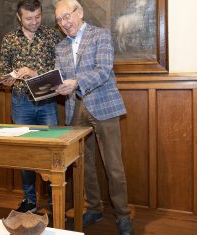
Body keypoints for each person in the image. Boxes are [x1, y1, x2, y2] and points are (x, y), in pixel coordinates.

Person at [54, 0, 133, 234]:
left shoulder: (101, 35)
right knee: (84, 165)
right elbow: (60, 76)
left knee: (114, 166)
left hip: (104, 107)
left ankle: (123, 216)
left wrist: (76, 82)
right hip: (74, 108)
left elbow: (103, 69)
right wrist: (56, 86)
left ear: (79, 12)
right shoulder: (60, 47)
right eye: (59, 20)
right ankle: (94, 208)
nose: (64, 23)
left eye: (67, 16)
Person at [0, 0, 62, 213]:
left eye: (38, 17)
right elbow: (4, 72)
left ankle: (55, 199)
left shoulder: (53, 36)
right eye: (29, 18)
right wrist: (8, 78)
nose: (34, 22)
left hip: (47, 103)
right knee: (25, 153)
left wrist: (34, 74)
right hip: (21, 103)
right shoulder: (9, 40)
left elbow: (60, 70)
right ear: (19, 17)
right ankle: (30, 200)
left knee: (52, 151)